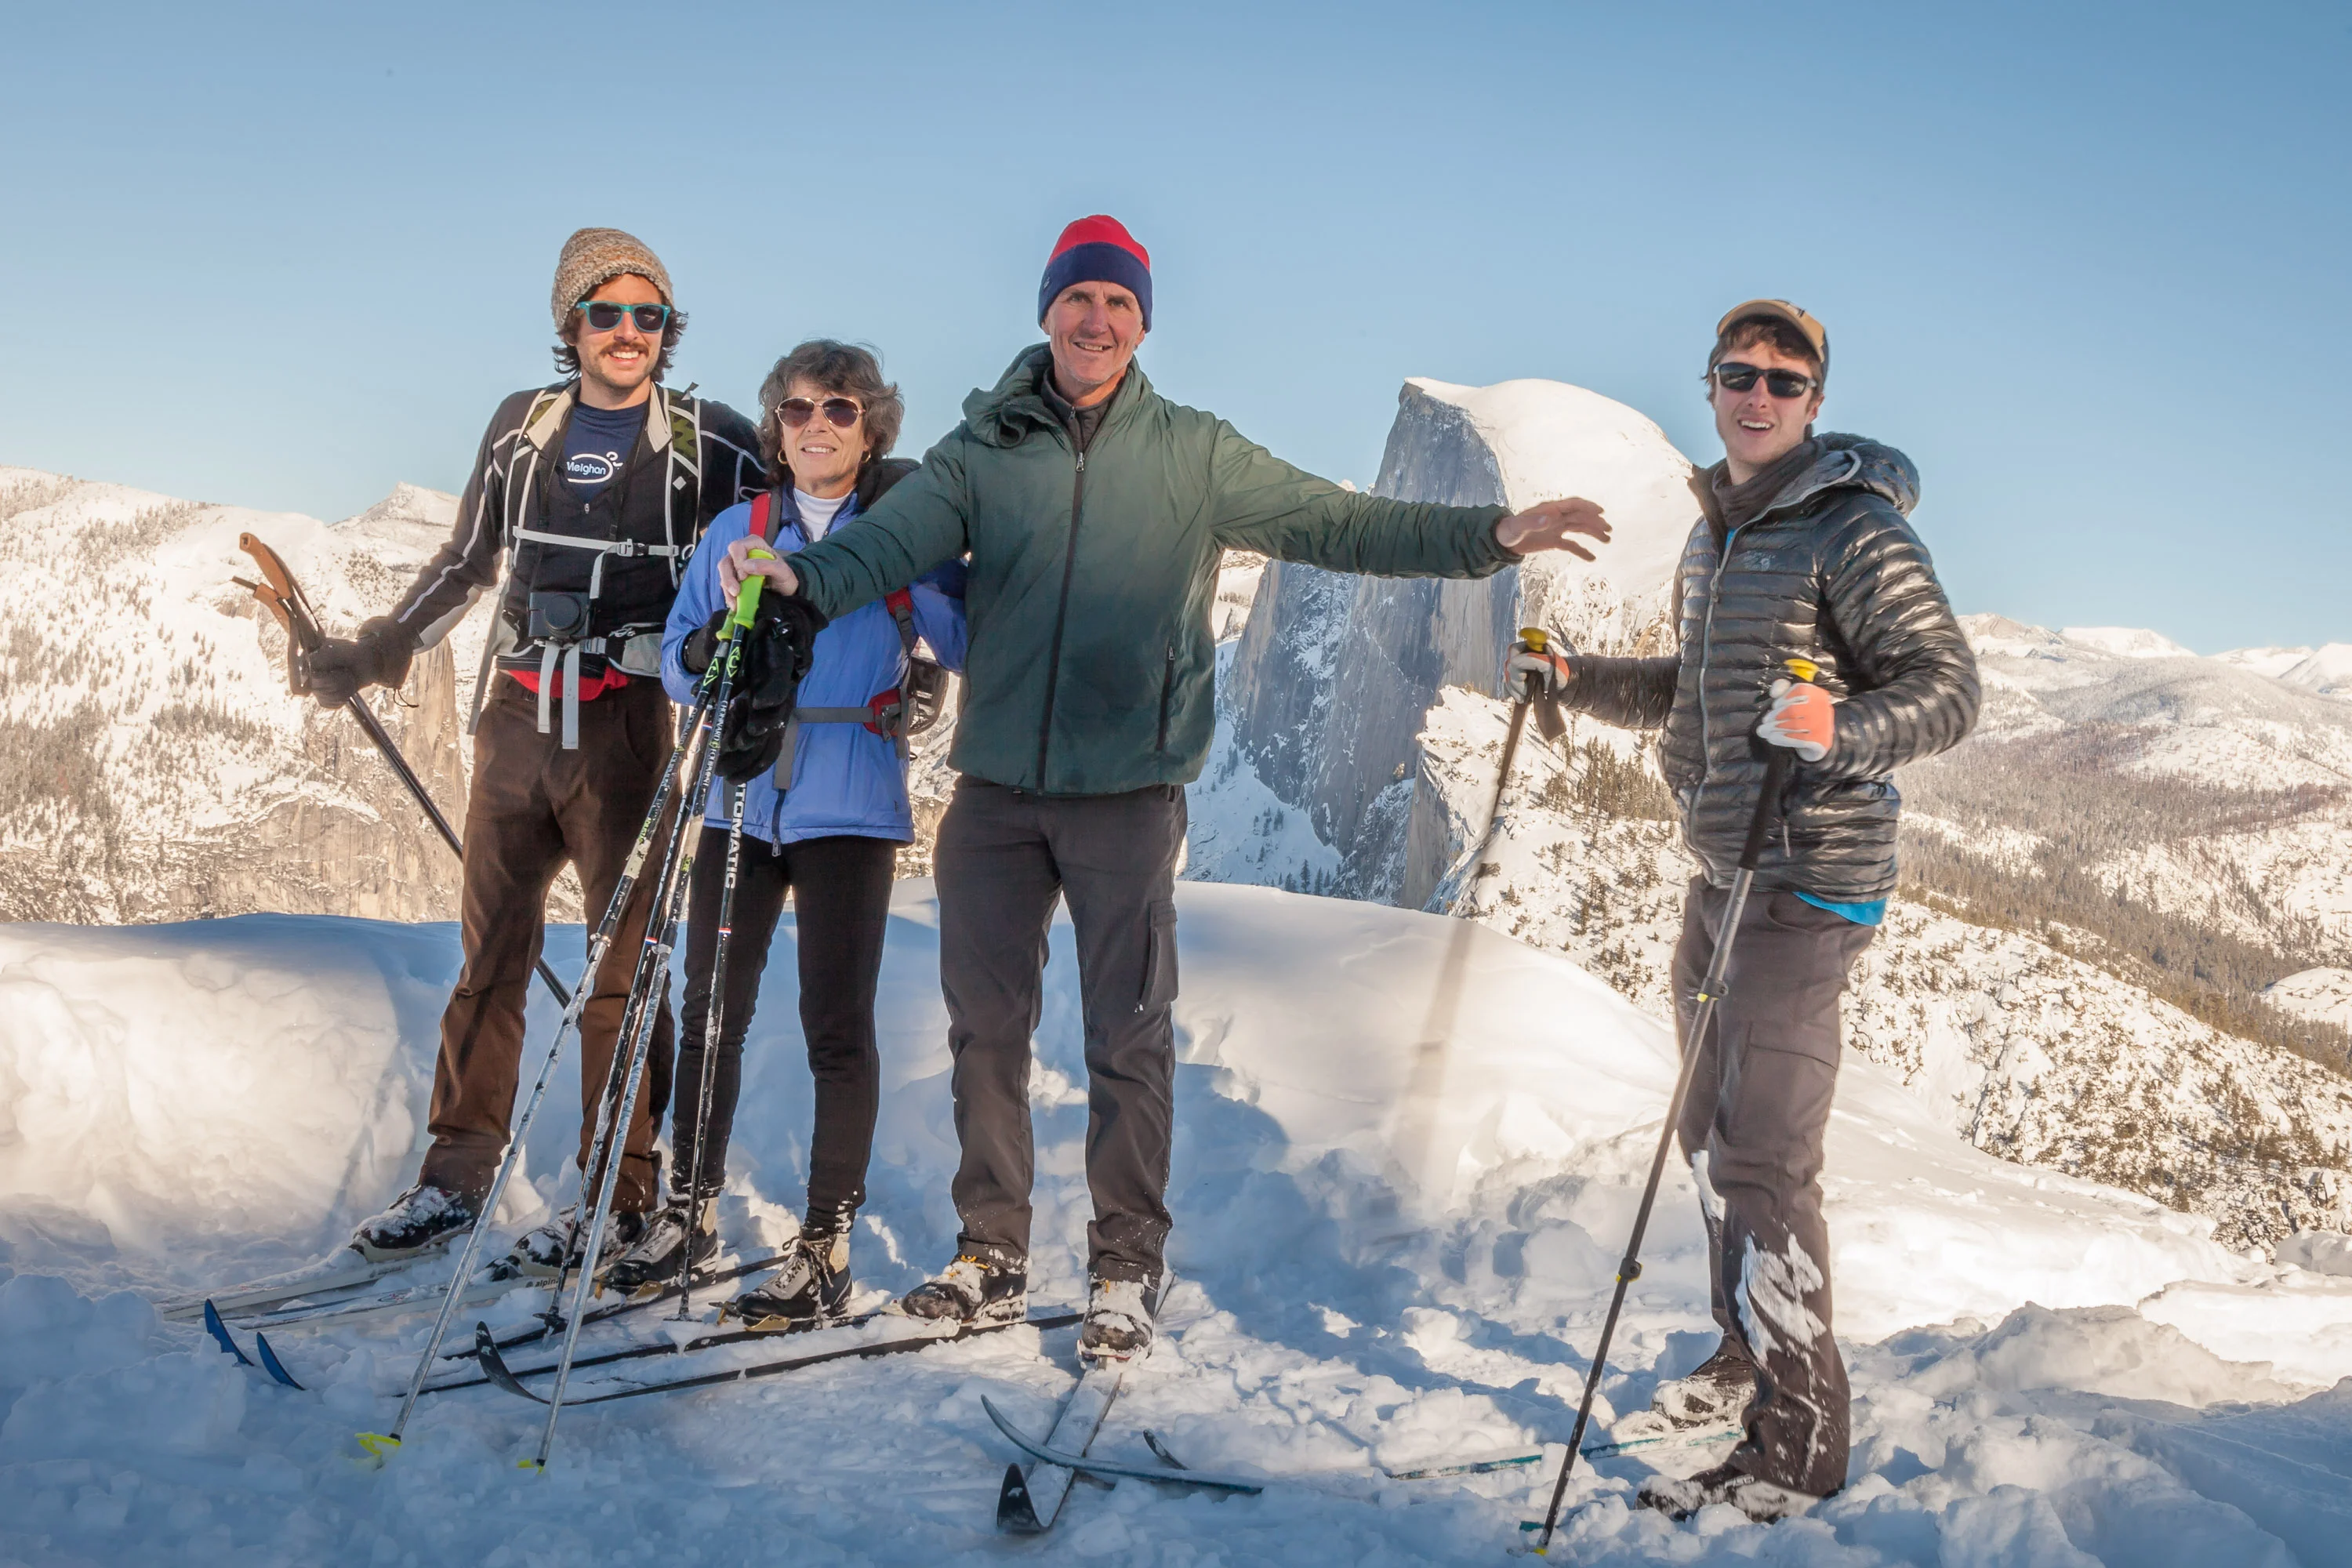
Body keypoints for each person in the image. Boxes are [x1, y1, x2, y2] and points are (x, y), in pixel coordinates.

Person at [719, 215, 1613, 1360]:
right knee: (986, 1031)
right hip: (993, 792)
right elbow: (884, 547)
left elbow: (1338, 521)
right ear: (1047, 312)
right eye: (1079, 299)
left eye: (1119, 305)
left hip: (1128, 795)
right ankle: (990, 1254)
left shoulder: (1195, 452)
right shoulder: (983, 451)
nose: (1096, 321)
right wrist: (802, 571)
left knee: (1125, 1038)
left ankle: (1124, 1265)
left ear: (1143, 324)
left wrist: (1488, 535)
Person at [1508, 300, 1979, 1521]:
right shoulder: (1719, 533)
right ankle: (1745, 1354)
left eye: (1784, 378)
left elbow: (1947, 688)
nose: (1758, 394)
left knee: (1766, 1160)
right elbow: (1692, 690)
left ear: (1814, 401)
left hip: (1806, 877)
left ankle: (1800, 1442)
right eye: (1739, 374)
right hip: (1722, 868)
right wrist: (1579, 680)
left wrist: (1841, 727)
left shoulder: (1852, 529)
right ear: (1710, 387)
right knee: (1714, 1138)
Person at [310, 228, 764, 1275]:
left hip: (630, 731)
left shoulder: (712, 440)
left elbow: (803, 500)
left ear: (668, 330)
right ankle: (454, 1177)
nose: (629, 333)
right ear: (573, 324)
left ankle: (622, 1193)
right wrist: (374, 651)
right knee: (491, 962)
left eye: (649, 316)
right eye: (608, 313)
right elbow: (467, 563)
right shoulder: (522, 429)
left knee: (621, 974)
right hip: (515, 726)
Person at [598, 341, 969, 1327]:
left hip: (849, 796)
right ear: (777, 425)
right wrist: (709, 641)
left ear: (872, 425)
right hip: (741, 795)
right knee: (712, 1004)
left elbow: (962, 640)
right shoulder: (737, 526)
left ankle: (824, 1242)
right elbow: (676, 663)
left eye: (841, 409)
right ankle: (691, 1208)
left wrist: (921, 558)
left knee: (836, 1027)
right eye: (798, 407)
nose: (816, 424)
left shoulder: (896, 529)